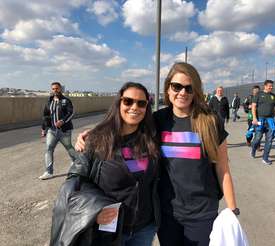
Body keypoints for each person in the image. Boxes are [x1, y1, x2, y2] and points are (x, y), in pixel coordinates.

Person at [75, 63, 239, 246]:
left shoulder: (210, 121)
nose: (182, 92)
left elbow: (223, 168)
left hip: (202, 213)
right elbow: (127, 125)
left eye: (189, 88)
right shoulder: (158, 120)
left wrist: (233, 210)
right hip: (167, 213)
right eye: (177, 86)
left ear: (196, 91)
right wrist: (94, 133)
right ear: (168, 89)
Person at [50, 82, 160, 245]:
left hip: (144, 229)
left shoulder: (151, 139)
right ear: (119, 103)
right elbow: (75, 181)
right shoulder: (97, 140)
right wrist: (94, 211)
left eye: (141, 103)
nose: (134, 107)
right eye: (128, 101)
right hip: (109, 231)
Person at [39, 82, 77, 180]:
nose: (55, 90)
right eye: (53, 89)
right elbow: (45, 116)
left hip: (64, 130)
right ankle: (49, 171)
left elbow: (71, 113)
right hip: (52, 130)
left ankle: (77, 163)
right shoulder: (49, 101)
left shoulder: (66, 100)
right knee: (48, 149)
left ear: (60, 89)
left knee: (69, 147)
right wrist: (43, 128)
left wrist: (62, 121)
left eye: (57, 88)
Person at [251, 80, 275, 165]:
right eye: (270, 86)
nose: (271, 87)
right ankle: (253, 149)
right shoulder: (259, 94)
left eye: (272, 86)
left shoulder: (273, 96)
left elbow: (274, 109)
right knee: (257, 139)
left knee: (269, 140)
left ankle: (265, 158)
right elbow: (253, 106)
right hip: (260, 119)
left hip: (270, 120)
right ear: (265, 86)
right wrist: (255, 118)